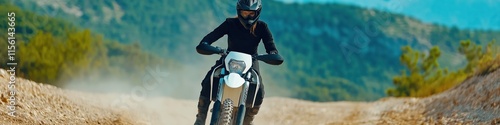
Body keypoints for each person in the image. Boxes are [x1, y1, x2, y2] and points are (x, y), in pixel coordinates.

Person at [194, 0, 280, 125]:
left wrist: (272, 55)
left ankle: (248, 120)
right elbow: (209, 38)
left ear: (257, 13)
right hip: (228, 58)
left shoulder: (262, 27)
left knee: (259, 89)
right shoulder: (230, 23)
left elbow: (272, 48)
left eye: (251, 13)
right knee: (209, 79)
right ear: (239, 11)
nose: (247, 16)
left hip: (251, 61)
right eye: (244, 13)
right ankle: (200, 118)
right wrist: (207, 45)